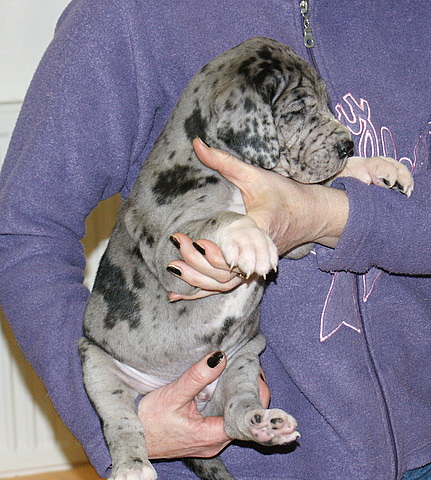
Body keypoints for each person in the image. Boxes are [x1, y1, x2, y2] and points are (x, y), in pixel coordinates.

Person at [0, 0, 430, 479]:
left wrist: (330, 215)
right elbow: (23, 230)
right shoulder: (127, 13)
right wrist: (116, 420)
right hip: (253, 461)